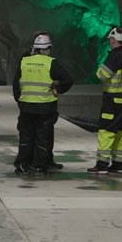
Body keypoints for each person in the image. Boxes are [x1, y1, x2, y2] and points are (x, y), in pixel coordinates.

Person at [13, 32, 74, 176]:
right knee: (43, 137)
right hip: (45, 108)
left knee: (26, 137)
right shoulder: (51, 62)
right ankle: (39, 166)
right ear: (47, 49)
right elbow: (68, 79)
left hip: (26, 106)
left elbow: (16, 83)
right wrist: (57, 89)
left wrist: (19, 99)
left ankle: (22, 164)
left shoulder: (24, 62)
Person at [87, 26, 122, 174]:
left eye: (110, 39)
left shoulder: (114, 56)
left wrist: (100, 68)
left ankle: (102, 164)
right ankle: (118, 164)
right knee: (121, 132)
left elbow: (102, 74)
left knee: (106, 130)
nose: (110, 42)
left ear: (114, 40)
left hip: (113, 100)